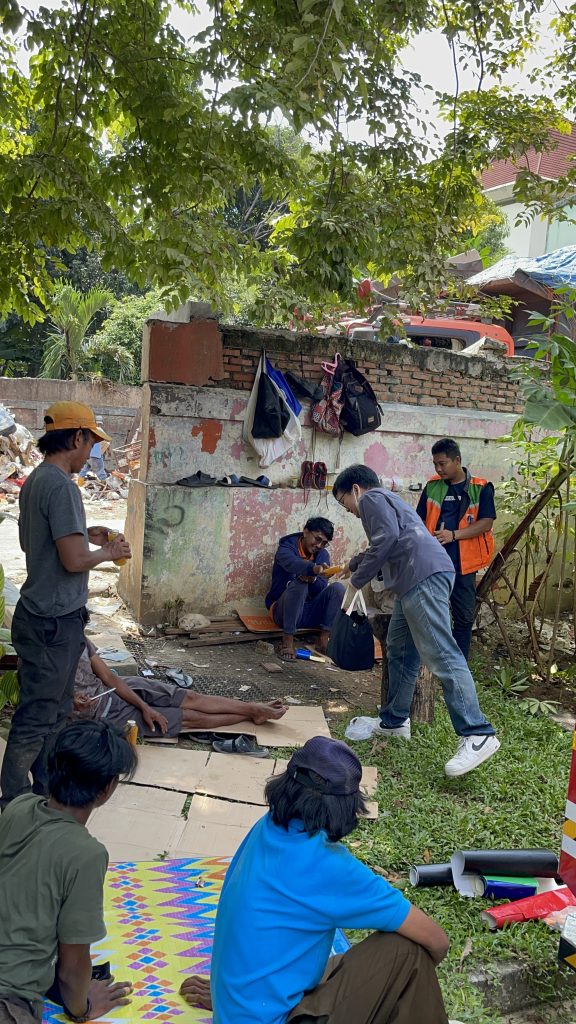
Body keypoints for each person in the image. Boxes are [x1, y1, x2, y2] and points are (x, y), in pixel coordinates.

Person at [180, 736, 460, 1024]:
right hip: (279, 1017)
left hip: (239, 1010)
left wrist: (231, 996)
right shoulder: (326, 865)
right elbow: (437, 941)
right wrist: (396, 988)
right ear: (347, 808)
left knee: (360, 962)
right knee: (408, 952)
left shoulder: (268, 826)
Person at [0, 401, 132, 809]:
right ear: (76, 437)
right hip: (52, 622)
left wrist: (85, 533)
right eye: (91, 442)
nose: (92, 452)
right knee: (37, 716)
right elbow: (73, 560)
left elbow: (32, 542)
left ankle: (43, 791)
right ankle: (14, 802)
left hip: (45, 617)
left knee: (56, 711)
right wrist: (108, 551)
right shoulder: (60, 486)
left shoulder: (37, 480)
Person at [333, 465, 499, 779]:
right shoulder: (387, 501)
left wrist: (356, 581)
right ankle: (394, 722)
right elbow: (387, 541)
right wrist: (354, 563)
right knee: (399, 649)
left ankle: (478, 732)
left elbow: (386, 540)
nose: (350, 512)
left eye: (345, 503)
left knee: (441, 653)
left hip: (422, 577)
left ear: (355, 489)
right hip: (416, 580)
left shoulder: (371, 499)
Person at [0, 719, 136, 1024]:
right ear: (107, 789)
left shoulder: (20, 806)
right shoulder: (86, 853)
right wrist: (83, 1007)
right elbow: (72, 965)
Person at [73, 638, 287, 736]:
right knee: (188, 718)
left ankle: (252, 708)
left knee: (191, 697)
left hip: (115, 690)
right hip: (101, 714)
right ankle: (252, 713)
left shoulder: (78, 638)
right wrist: (70, 703)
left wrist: (145, 706)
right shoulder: (43, 660)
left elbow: (110, 678)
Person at [416, 438, 495, 661]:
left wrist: (453, 535)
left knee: (463, 618)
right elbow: (419, 519)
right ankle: (432, 664)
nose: (438, 469)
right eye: (435, 465)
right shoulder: (433, 486)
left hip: (463, 566)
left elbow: (486, 522)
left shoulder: (480, 488)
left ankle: (458, 666)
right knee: (432, 616)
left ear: (457, 460)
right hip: (434, 565)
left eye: (443, 464)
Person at [265, 517, 345, 660]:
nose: (319, 545)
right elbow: (292, 563)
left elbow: (320, 588)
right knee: (300, 583)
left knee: (338, 588)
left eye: (324, 543)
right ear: (306, 532)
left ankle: (324, 640)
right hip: (283, 612)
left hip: (308, 612)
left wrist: (313, 579)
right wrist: (312, 569)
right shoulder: (286, 548)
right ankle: (287, 641)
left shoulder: (322, 555)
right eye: (317, 539)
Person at [79, 416, 109, 482]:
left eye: (99, 424)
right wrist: (108, 451)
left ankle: (79, 485)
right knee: (101, 473)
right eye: (98, 423)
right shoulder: (99, 430)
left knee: (83, 471)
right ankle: (108, 487)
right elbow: (107, 442)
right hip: (95, 455)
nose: (99, 425)